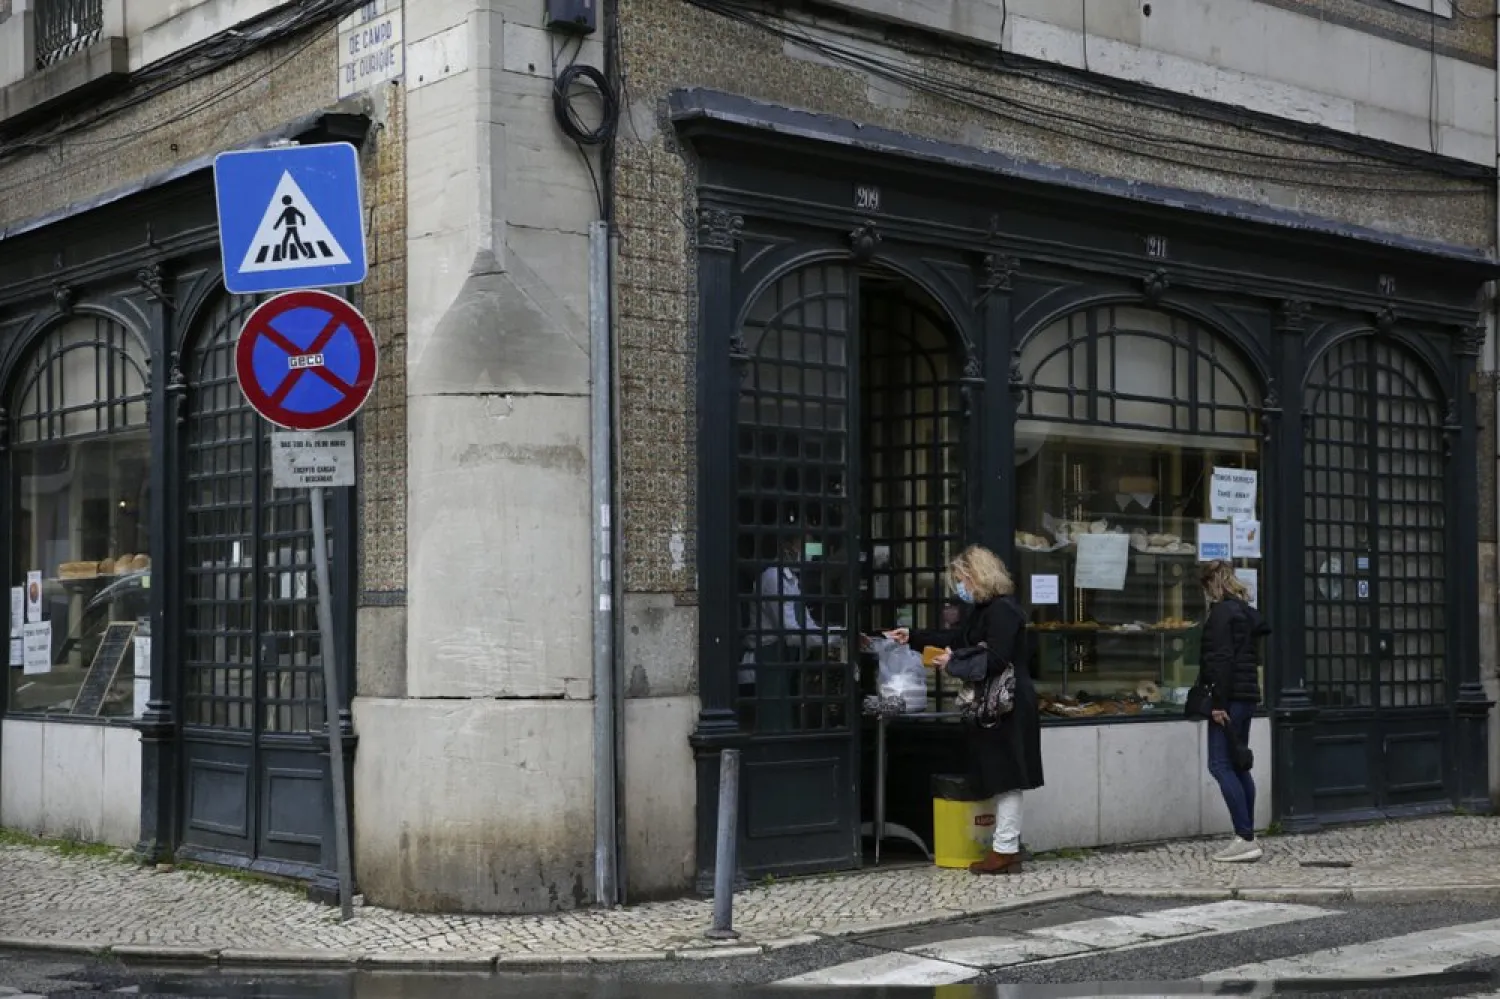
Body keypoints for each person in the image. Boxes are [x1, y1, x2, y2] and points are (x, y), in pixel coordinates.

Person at [888, 545, 1044, 875]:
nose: (959, 586)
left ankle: (1004, 850)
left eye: (961, 580)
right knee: (999, 773)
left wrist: (953, 662)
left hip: (1008, 702)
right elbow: (957, 638)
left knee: (1007, 776)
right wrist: (913, 637)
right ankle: (1006, 848)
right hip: (995, 703)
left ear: (977, 576)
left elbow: (997, 657)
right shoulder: (985, 610)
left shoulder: (1003, 611)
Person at [1198, 559, 1271, 864]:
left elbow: (1221, 660)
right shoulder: (1243, 612)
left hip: (1228, 699)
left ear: (1211, 584)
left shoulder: (1221, 613)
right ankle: (1247, 835)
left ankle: (1245, 837)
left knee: (1220, 764)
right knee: (1239, 764)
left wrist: (1217, 704)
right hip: (1246, 696)